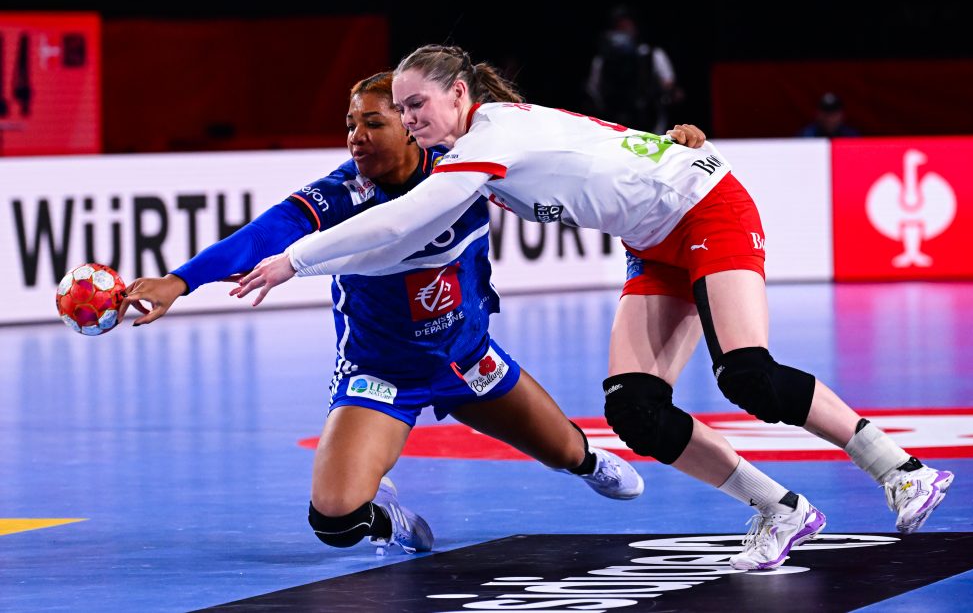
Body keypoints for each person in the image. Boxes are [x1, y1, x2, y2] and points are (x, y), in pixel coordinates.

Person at [237, 45, 955, 571]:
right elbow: (591, 145)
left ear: (458, 94)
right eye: (400, 110)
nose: (408, 119)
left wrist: (296, 258)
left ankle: (902, 470)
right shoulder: (475, 144)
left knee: (747, 374)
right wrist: (665, 141)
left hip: (708, 208)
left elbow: (402, 219)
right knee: (634, 410)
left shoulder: (491, 138)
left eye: (417, 105)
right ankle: (781, 510)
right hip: (652, 240)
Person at [117, 71, 651, 557]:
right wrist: (179, 282)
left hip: (468, 359)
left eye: (373, 123)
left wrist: (665, 149)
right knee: (335, 519)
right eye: (351, 124)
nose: (357, 137)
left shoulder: (467, 163)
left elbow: (577, 150)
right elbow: (263, 235)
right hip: (381, 374)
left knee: (568, 452)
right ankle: (388, 518)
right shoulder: (340, 193)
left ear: (412, 126)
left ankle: (587, 462)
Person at [585, 6, 682, 134]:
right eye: (619, 27)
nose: (624, 30)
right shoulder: (602, 61)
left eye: (627, 25)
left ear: (635, 27)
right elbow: (593, 91)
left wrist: (669, 92)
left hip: (649, 119)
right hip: (614, 121)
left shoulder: (652, 54)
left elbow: (668, 84)